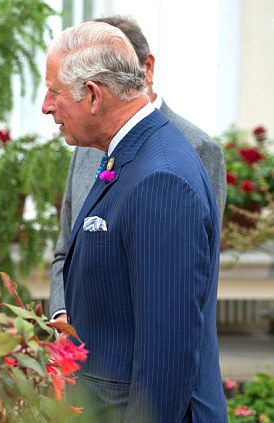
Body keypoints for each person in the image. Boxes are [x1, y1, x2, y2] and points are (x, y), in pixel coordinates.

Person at [41, 21, 227, 421]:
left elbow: (167, 353)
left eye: (54, 91)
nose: (46, 105)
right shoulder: (127, 153)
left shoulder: (160, 177)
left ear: (93, 95)